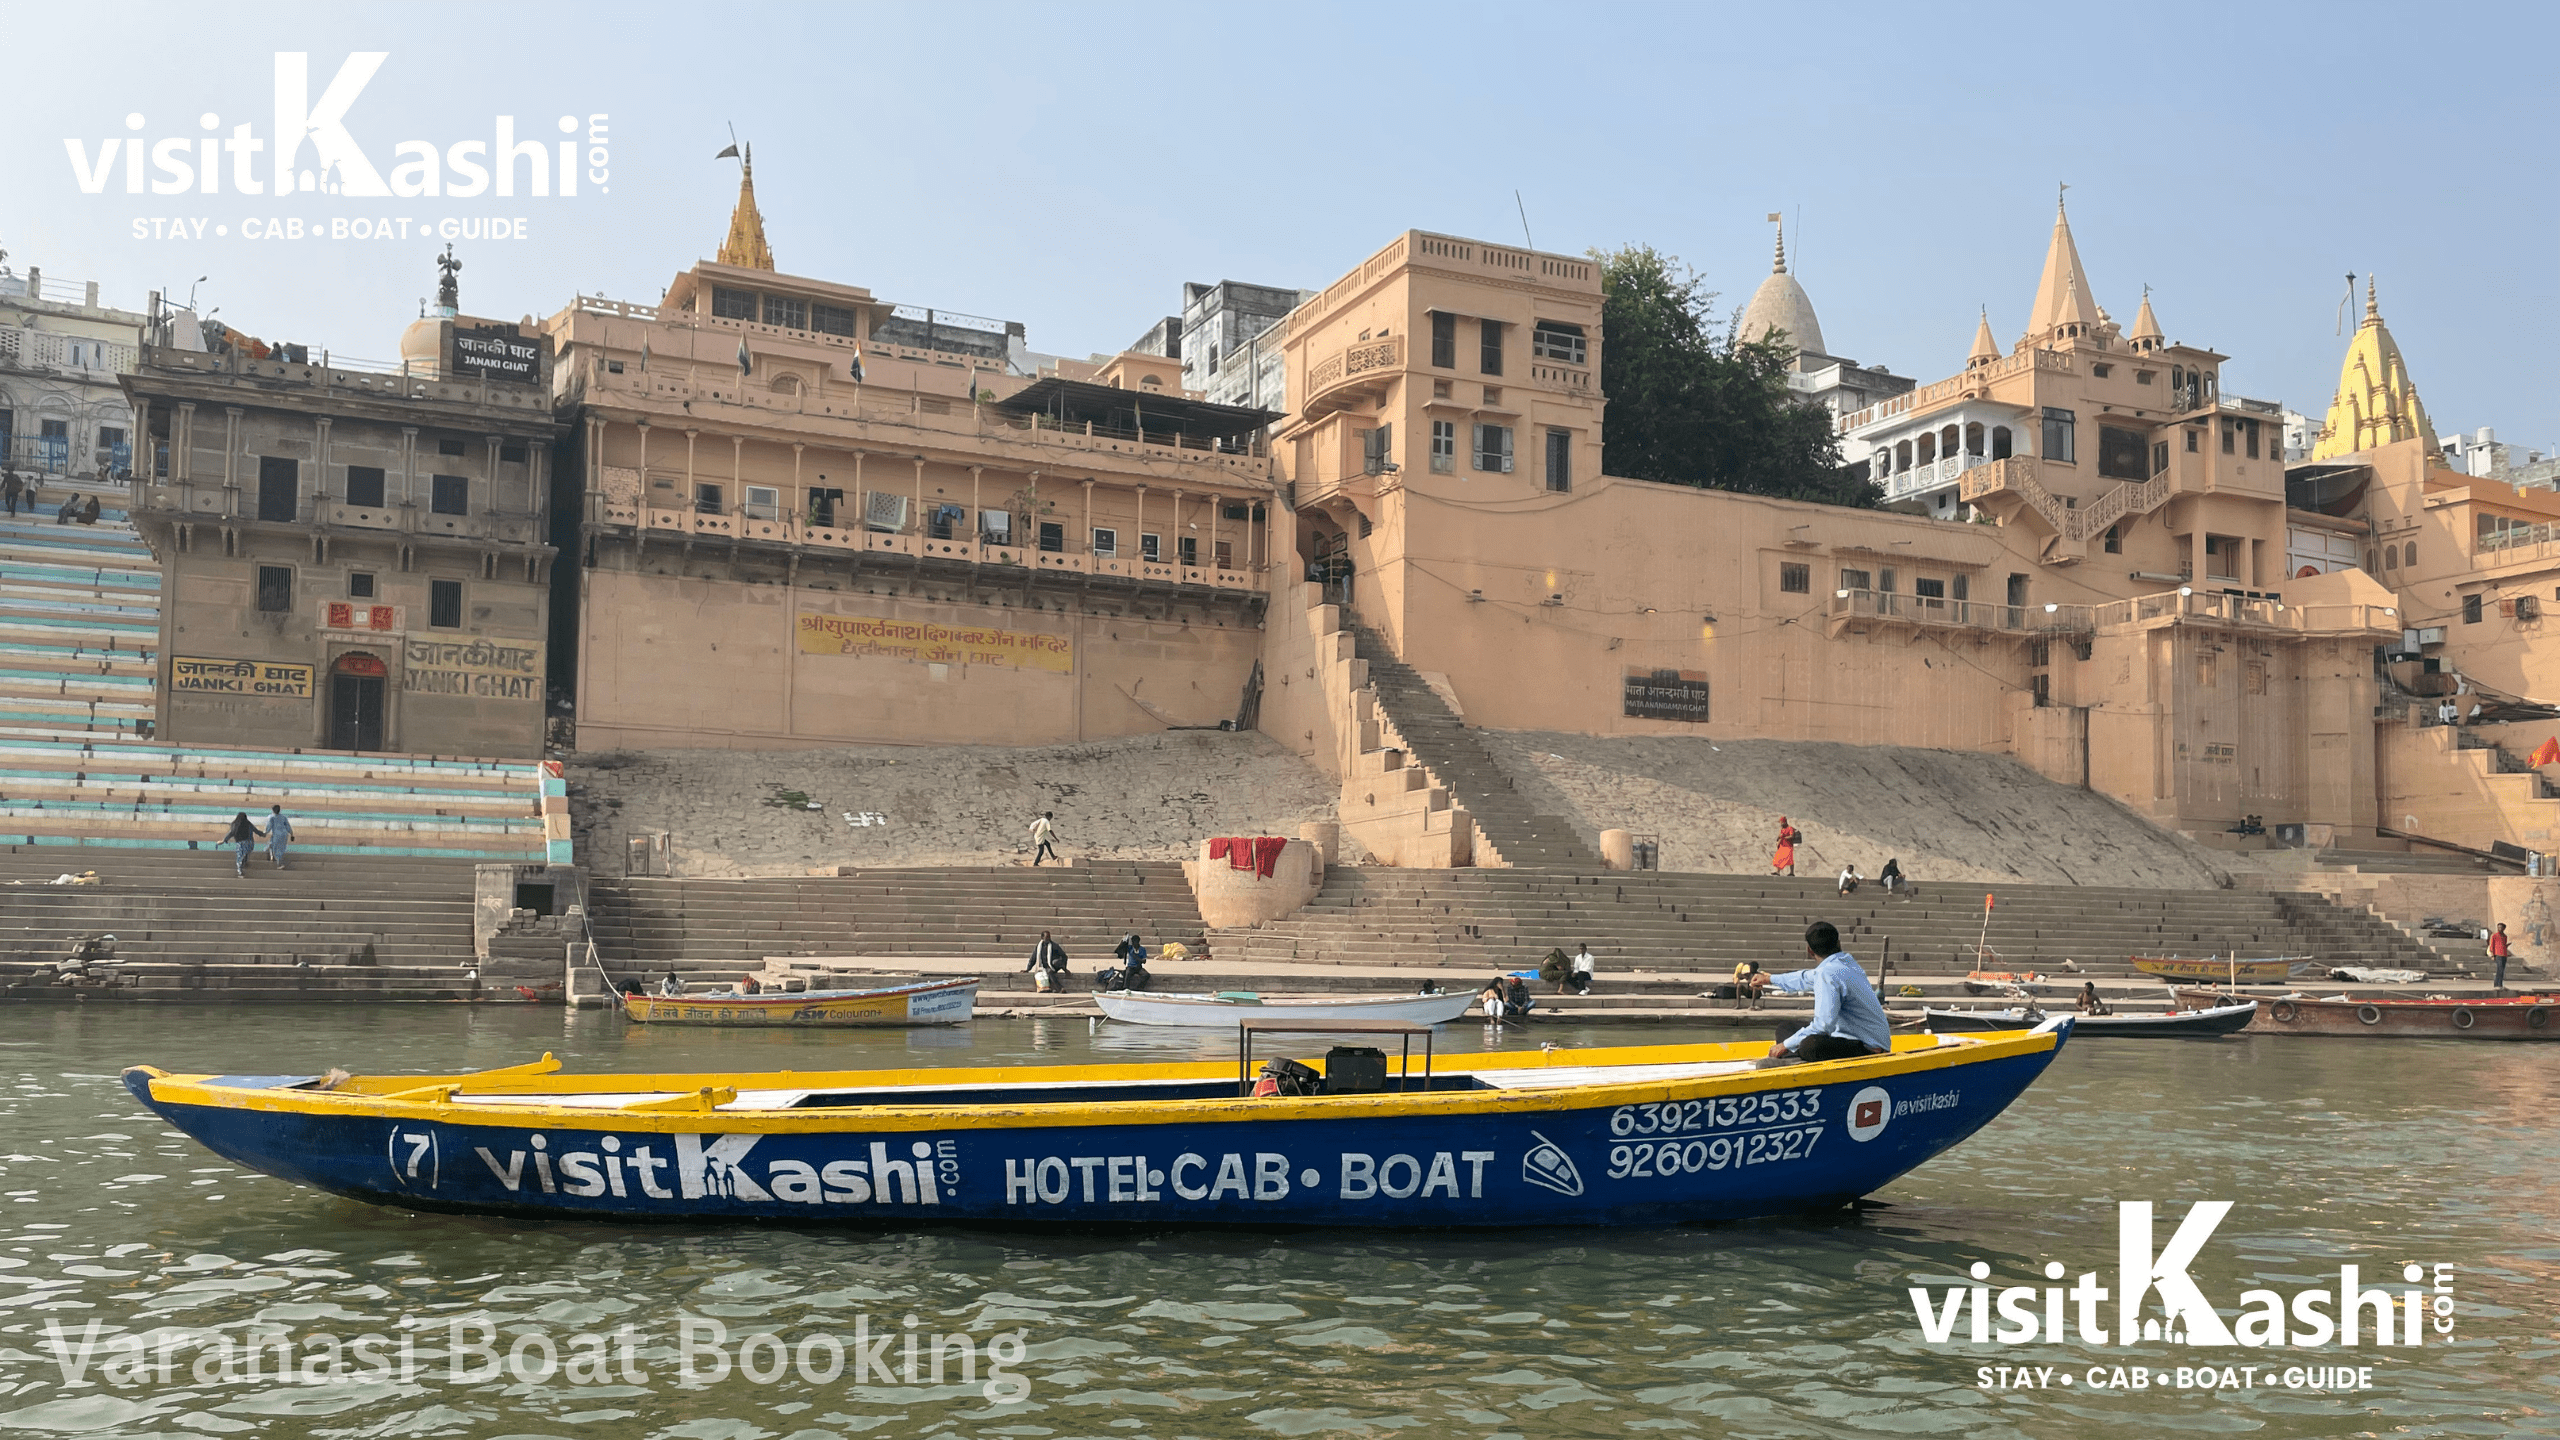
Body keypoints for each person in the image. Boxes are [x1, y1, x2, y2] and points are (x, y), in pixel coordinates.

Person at [1746, 922, 1893, 1063]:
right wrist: (1769, 979)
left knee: (1811, 1045)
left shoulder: (1828, 973)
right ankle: (1793, 1056)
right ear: (1838, 943)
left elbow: (1823, 1026)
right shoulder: (1846, 963)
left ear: (1809, 951)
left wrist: (1785, 1045)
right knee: (1786, 1028)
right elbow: (1803, 978)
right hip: (1853, 1038)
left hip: (1868, 1048)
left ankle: (1792, 1059)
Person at [219, 811, 261, 878]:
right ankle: (244, 861)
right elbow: (256, 831)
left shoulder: (235, 824)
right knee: (245, 853)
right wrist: (263, 834)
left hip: (240, 843)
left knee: (240, 856)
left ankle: (240, 870)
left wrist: (224, 840)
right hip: (249, 843)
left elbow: (231, 833)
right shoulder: (248, 824)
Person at [263, 804, 294, 870]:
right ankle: (272, 855)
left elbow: (268, 827)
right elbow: (288, 826)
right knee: (280, 848)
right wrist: (291, 834)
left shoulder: (272, 818)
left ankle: (280, 863)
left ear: (272, 810)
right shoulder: (283, 817)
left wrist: (265, 833)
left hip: (276, 835)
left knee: (276, 849)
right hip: (284, 834)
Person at [2488, 922, 2510, 991]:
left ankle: (2500, 984)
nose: (2499, 929)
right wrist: (2492, 955)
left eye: (2501, 927)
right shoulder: (2494, 935)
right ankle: (2497, 984)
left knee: (2502, 970)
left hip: (2504, 954)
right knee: (2499, 969)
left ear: (2504, 928)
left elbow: (2503, 945)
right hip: (2498, 955)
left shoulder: (2505, 936)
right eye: (2498, 927)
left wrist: (2507, 945)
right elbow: (2492, 945)